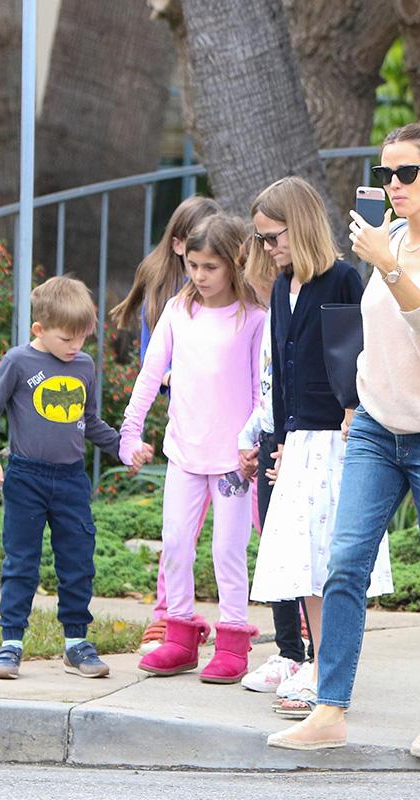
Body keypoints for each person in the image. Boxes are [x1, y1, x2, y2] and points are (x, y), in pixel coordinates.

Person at [267, 124, 420, 757]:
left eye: (407, 173)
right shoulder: (385, 237)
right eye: (385, 173)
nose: (393, 185)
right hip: (372, 429)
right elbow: (372, 332)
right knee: (344, 563)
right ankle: (330, 707)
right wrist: (354, 399)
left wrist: (390, 268)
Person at [248, 176, 393, 718]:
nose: (268, 248)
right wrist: (281, 440)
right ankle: (314, 658)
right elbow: (281, 375)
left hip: (341, 436)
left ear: (301, 226)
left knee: (333, 555)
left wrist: (356, 407)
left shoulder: (343, 281)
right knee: (303, 557)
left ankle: (330, 665)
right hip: (300, 440)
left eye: (273, 236)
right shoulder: (283, 288)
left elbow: (367, 347)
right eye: (262, 239)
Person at [119, 214, 266, 683]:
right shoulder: (178, 311)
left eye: (210, 267)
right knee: (177, 545)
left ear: (234, 264)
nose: (199, 277)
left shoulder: (253, 318)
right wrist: (130, 430)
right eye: (193, 266)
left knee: (227, 549)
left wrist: (253, 443)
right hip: (183, 454)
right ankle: (180, 636)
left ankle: (234, 638)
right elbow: (150, 372)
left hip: (232, 463)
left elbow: (263, 390)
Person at [0, 275, 135, 680]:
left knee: (77, 562)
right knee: (21, 563)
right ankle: (10, 643)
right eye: (67, 338)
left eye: (82, 338)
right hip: (25, 477)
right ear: (39, 330)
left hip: (70, 481)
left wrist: (123, 448)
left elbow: (91, 420)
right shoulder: (17, 362)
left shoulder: (83, 365)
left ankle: (76, 643)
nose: (76, 347)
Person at [110, 195, 222, 655]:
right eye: (195, 256)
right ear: (178, 246)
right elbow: (150, 361)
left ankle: (297, 609)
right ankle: (167, 617)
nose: (203, 271)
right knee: (179, 530)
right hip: (188, 426)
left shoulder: (235, 296)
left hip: (233, 428)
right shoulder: (163, 289)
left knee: (261, 519)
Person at [235, 231, 314, 694]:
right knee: (273, 544)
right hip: (270, 439)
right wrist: (252, 437)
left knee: (297, 546)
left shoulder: (290, 311)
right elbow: (268, 390)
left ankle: (309, 651)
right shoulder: (269, 319)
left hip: (296, 442)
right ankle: (287, 650)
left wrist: (284, 440)